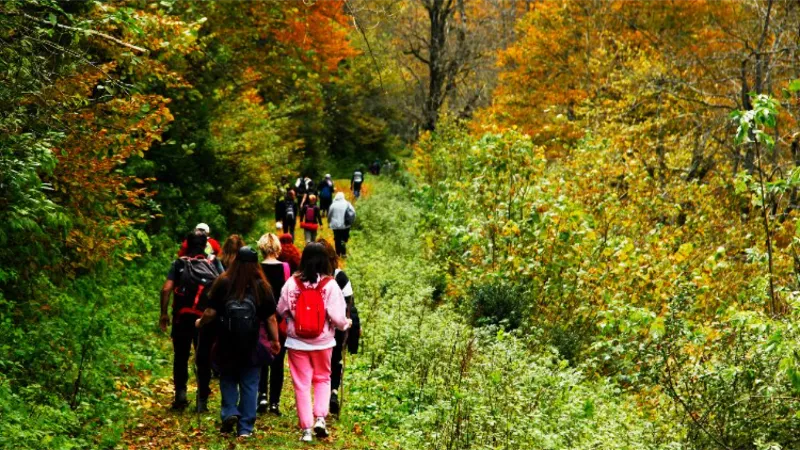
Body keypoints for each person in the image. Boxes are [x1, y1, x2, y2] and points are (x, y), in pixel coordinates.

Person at [196, 246, 280, 438]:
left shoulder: (223, 282)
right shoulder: (261, 285)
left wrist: (200, 322)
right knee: (250, 383)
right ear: (255, 264)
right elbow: (270, 318)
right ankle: (245, 428)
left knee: (228, 378)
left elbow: (211, 312)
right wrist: (275, 340)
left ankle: (229, 412)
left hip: (226, 340)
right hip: (253, 342)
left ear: (235, 261)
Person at [278, 243, 351, 442]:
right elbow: (337, 317)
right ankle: (320, 418)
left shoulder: (292, 283)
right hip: (323, 342)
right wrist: (346, 324)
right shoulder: (330, 284)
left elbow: (281, 309)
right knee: (322, 378)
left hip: (296, 343)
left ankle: (306, 430)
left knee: (301, 384)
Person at [159, 232, 219, 412]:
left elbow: (166, 289)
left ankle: (180, 396)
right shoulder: (213, 264)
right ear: (205, 245)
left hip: (182, 318)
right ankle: (202, 401)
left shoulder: (179, 263)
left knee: (181, 356)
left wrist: (164, 314)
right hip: (204, 319)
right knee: (204, 357)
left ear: (186, 244)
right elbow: (223, 285)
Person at [317, 239, 361, 415]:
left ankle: (321, 396)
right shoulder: (340, 276)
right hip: (337, 326)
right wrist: (349, 327)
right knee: (336, 360)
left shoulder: (311, 275)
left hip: (317, 327)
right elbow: (350, 302)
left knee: (320, 364)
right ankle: (333, 391)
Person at [256, 234, 291, 415]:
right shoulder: (285, 268)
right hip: (279, 319)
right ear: (277, 249)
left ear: (261, 248)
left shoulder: (256, 268)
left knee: (261, 358)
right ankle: (274, 402)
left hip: (259, 320)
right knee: (278, 361)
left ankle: (261, 395)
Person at [328, 192, 355, 258]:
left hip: (335, 226)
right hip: (345, 225)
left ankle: (337, 253)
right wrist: (351, 221)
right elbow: (353, 213)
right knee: (343, 239)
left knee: (337, 239)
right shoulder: (347, 204)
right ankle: (343, 253)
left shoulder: (333, 205)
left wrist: (329, 221)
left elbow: (329, 214)